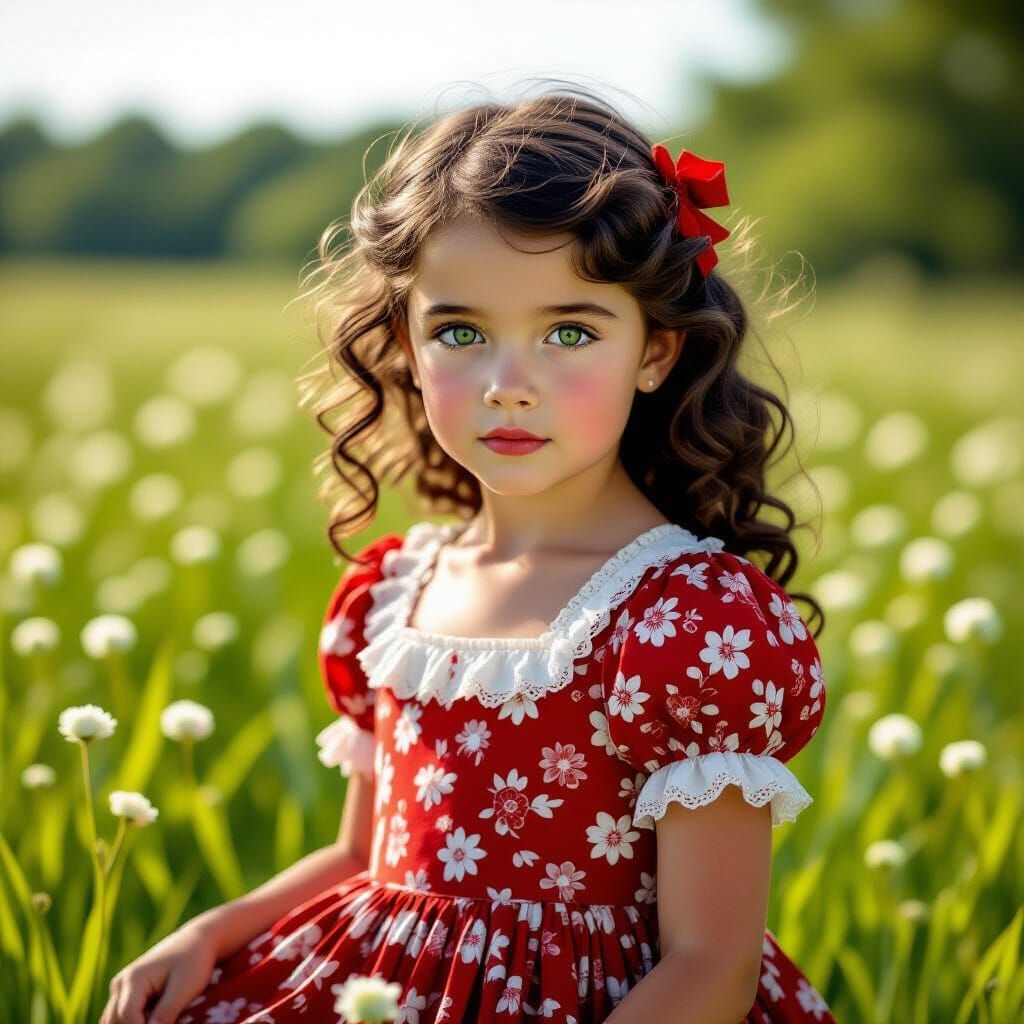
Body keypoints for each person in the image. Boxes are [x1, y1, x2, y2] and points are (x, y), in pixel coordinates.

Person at [102, 85, 835, 1024]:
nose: (509, 386)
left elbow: (711, 966)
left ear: (655, 352)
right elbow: (363, 860)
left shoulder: (689, 622)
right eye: (461, 332)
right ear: (404, 344)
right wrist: (213, 930)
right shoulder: (393, 593)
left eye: (569, 332)